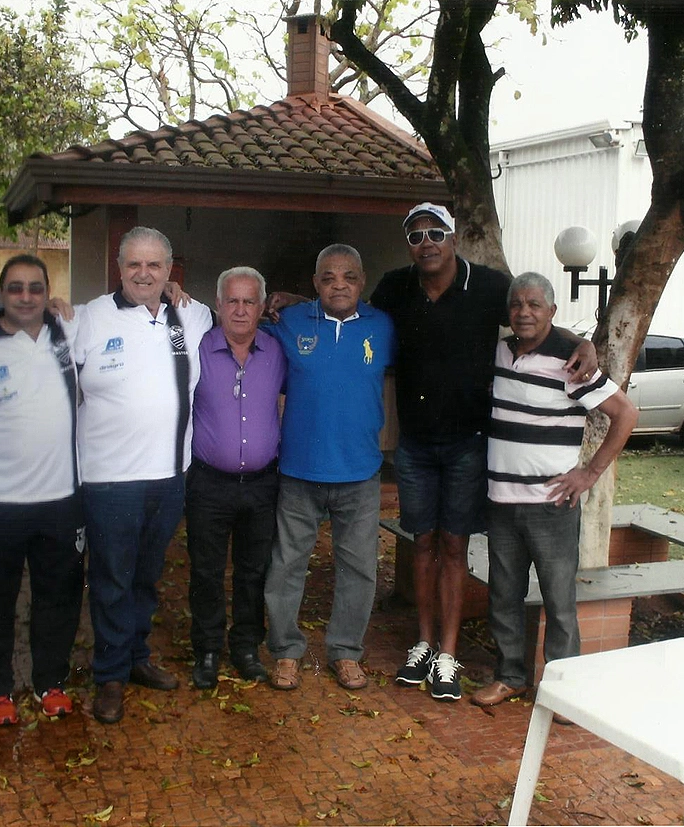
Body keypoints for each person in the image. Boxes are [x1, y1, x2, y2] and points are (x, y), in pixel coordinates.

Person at [370, 203, 598, 702]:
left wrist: (586, 341)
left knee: (454, 548)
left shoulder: (492, 287)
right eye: (416, 235)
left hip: (469, 447)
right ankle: (425, 644)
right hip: (415, 445)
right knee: (421, 545)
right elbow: (355, 316)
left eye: (436, 233)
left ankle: (449, 656)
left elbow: (535, 316)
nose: (426, 242)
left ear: (453, 238)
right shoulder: (394, 287)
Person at [471, 272, 637, 708]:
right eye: (517, 305)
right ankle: (511, 676)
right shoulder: (500, 352)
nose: (524, 312)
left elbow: (625, 415)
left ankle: (564, 693)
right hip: (502, 503)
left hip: (551, 506)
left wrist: (589, 474)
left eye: (535, 305)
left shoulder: (572, 361)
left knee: (559, 602)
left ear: (551, 312)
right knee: (503, 596)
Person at [73, 226, 214, 724]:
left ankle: (135, 658)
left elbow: (247, 316)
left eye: (154, 265)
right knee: (112, 579)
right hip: (108, 480)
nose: (144, 273)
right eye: (134, 263)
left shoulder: (192, 316)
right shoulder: (88, 318)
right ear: (119, 267)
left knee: (147, 579)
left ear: (169, 271)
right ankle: (108, 676)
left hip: (171, 476)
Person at [262, 244, 395, 692]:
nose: (339, 284)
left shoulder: (383, 326)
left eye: (349, 277)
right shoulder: (290, 323)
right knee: (286, 566)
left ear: (362, 280)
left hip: (360, 474)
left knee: (359, 569)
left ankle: (345, 651)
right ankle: (285, 651)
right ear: (315, 282)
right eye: (328, 277)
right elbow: (240, 325)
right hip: (299, 471)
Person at [0, 254, 84, 725]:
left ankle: (50, 683)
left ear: (48, 290)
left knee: (59, 598)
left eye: (36, 287)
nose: (27, 296)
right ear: (0, 294)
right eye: (16, 288)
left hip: (61, 498)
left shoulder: (68, 332)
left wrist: (176, 295)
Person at [186, 267, 286, 689]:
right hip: (209, 483)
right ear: (219, 305)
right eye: (232, 301)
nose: (240, 310)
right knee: (206, 571)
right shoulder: (196, 348)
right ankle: (208, 649)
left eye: (249, 301)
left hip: (263, 484)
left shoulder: (278, 352)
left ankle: (246, 646)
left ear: (262, 308)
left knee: (253, 570)